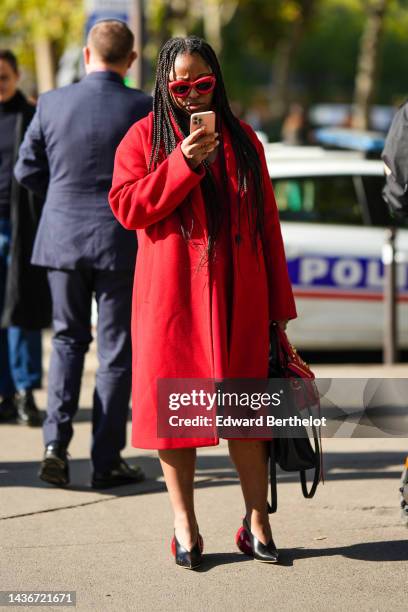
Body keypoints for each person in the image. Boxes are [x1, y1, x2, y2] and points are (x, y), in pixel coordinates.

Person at [109, 35, 297, 568]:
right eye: (181, 86)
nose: (192, 95)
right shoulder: (142, 139)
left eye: (203, 83)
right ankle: (185, 526)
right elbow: (127, 207)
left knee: (247, 413)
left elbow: (268, 228)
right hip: (173, 302)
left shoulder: (244, 140)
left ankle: (257, 521)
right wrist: (183, 165)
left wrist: (278, 310)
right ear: (165, 88)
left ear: (218, 81)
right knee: (178, 412)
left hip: (241, 295)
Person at [14, 20, 152, 488]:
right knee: (116, 353)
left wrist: (58, 199)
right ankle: (106, 459)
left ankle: (55, 445)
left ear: (88, 55)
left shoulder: (52, 103)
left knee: (68, 342)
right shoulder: (144, 107)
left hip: (62, 238)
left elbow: (26, 168)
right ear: (130, 61)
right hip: (122, 241)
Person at [0, 49, 51, 427]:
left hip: (21, 226)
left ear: (17, 76)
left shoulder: (32, 115)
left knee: (21, 310)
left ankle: (24, 391)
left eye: (3, 77)